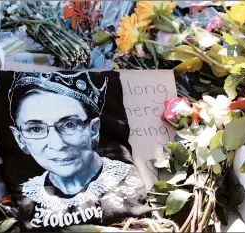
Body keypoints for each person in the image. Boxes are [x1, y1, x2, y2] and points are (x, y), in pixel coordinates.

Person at [8, 71, 151, 231]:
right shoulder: (25, 197)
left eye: (70, 124)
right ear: (20, 139)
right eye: (35, 129)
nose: (57, 145)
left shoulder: (128, 182)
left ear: (94, 130)